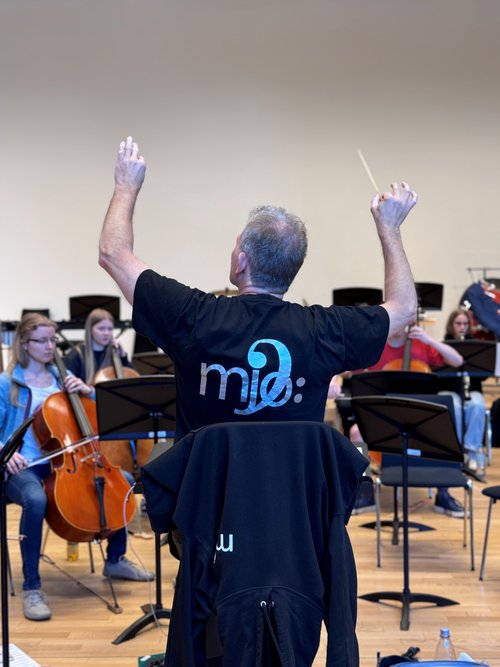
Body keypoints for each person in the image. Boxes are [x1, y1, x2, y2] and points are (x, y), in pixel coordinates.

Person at [99, 136, 418, 440]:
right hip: (290, 496)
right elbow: (403, 309)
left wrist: (126, 186)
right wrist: (390, 228)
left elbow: (113, 253)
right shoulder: (325, 332)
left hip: (206, 495)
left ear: (241, 264)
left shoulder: (194, 316)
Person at [0, 313, 153, 623]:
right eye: (41, 341)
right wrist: (5, 452)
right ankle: (32, 587)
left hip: (66, 461)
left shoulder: (61, 376)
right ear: (25, 344)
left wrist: (87, 390)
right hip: (24, 465)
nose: (48, 346)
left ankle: (116, 559)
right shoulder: (8, 383)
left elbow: (97, 412)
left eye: (51, 340)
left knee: (121, 481)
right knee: (35, 499)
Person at [349, 324, 468, 518]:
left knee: (443, 430)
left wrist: (429, 339)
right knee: (356, 432)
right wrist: (335, 379)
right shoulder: (375, 346)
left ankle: (443, 494)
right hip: (385, 414)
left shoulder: (421, 344)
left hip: (419, 416)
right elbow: (347, 368)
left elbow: (458, 361)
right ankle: (365, 490)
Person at [441, 307, 487, 473]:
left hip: (470, 389)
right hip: (449, 389)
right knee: (453, 405)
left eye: (465, 324)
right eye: (458, 323)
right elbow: (438, 375)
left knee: (477, 405)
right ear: (451, 325)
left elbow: (483, 376)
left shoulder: (475, 347)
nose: (462, 327)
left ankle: (471, 451)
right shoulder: (443, 345)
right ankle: (455, 452)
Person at [63, 308, 132, 384]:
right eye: (101, 329)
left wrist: (123, 357)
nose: (106, 333)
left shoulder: (114, 352)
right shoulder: (76, 355)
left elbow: (133, 379)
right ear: (90, 330)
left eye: (110, 329)